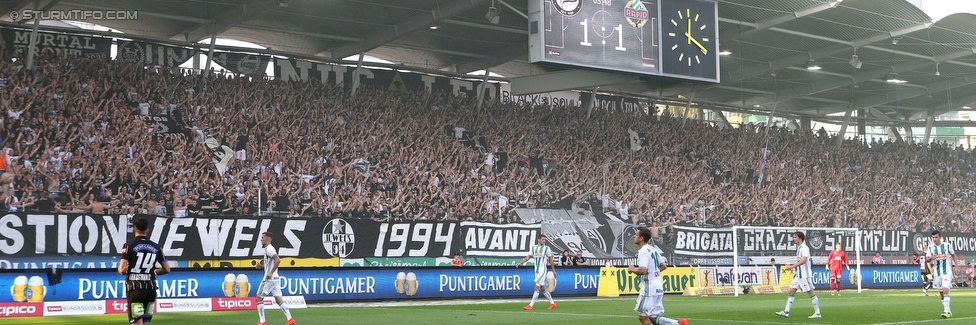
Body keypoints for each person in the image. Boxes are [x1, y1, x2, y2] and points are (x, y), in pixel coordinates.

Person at [628, 226, 687, 325]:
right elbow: (663, 266)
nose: (634, 236)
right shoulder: (653, 249)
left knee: (643, 317)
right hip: (658, 286)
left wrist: (632, 269)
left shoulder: (643, 251)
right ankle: (678, 323)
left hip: (649, 287)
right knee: (653, 318)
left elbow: (643, 270)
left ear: (641, 238)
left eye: (636, 235)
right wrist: (653, 271)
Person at [118, 216, 170, 325]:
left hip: (135, 288)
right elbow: (166, 269)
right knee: (143, 322)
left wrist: (125, 271)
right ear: (148, 230)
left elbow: (122, 270)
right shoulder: (157, 247)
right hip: (150, 288)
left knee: (136, 322)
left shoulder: (128, 246)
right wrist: (156, 271)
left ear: (134, 229)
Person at [776, 231, 821, 319]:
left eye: (795, 237)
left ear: (800, 238)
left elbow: (804, 260)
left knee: (810, 292)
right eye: (793, 237)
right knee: (791, 291)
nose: (793, 239)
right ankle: (786, 312)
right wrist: (797, 271)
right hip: (799, 275)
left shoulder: (804, 248)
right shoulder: (799, 248)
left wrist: (792, 267)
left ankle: (818, 313)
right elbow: (800, 261)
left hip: (805, 275)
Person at [256, 232, 296, 325]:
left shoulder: (269, 249)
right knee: (278, 299)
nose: (261, 239)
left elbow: (278, 260)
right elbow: (270, 264)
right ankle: (290, 319)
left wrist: (270, 272)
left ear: (267, 239)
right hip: (275, 278)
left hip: (269, 278)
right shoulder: (268, 249)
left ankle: (262, 322)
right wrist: (262, 266)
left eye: (262, 237)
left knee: (259, 299)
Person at [516, 234, 556, 310]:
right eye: (543, 239)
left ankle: (530, 305)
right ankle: (552, 303)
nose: (544, 241)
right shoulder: (533, 248)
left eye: (545, 239)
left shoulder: (546, 248)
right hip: (537, 271)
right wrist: (520, 263)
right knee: (543, 287)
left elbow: (551, 259)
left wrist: (553, 270)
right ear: (538, 239)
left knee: (537, 286)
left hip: (542, 271)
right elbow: (528, 257)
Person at [927, 230, 956, 318]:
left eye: (936, 237)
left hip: (947, 271)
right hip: (937, 272)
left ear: (940, 237)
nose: (934, 239)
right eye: (933, 237)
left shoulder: (947, 245)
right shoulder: (930, 247)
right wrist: (931, 257)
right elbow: (927, 260)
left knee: (945, 289)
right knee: (941, 293)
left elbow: (954, 255)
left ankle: (946, 311)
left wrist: (957, 266)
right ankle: (948, 310)